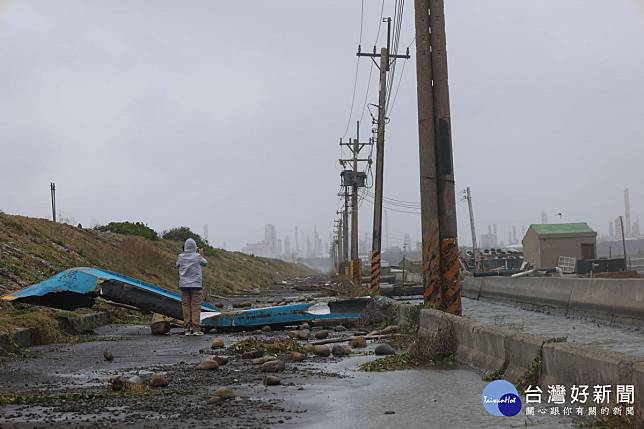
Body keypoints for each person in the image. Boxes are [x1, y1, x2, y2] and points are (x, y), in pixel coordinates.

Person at [176, 238, 207, 336]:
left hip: (184, 285)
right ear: (195, 247)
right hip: (196, 285)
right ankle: (196, 329)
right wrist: (201, 254)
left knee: (185, 306)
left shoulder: (180, 256)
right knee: (196, 307)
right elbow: (205, 263)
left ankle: (187, 329)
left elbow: (177, 265)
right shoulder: (197, 256)